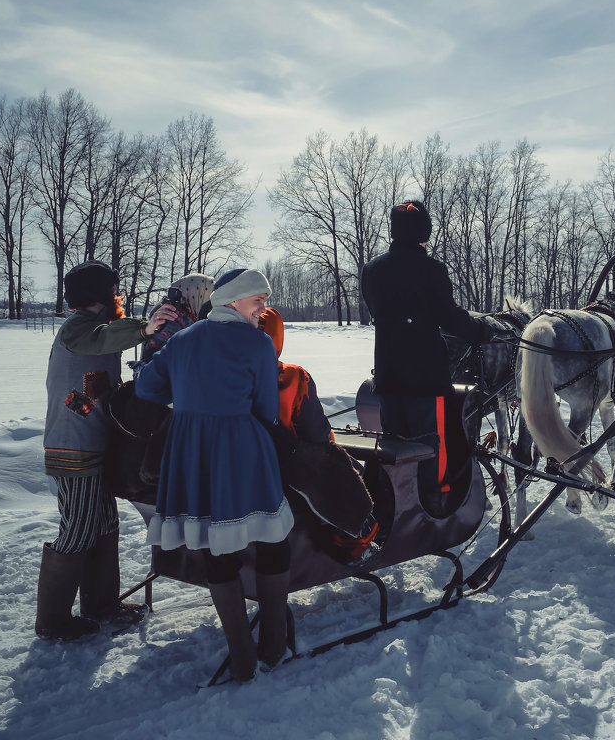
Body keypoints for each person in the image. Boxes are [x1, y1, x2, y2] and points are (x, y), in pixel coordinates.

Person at [135, 268, 293, 681]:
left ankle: (242, 657)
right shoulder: (257, 344)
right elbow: (266, 409)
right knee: (273, 542)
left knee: (216, 547)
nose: (263, 307)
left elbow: (147, 387)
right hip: (243, 451)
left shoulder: (184, 339)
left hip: (191, 452)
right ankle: (273, 646)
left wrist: (188, 392)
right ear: (233, 300)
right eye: (258, 299)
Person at [38, 260, 179, 641]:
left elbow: (100, 378)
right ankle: (51, 620)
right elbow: (102, 338)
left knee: (104, 525)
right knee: (79, 527)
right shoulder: (78, 330)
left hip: (94, 448)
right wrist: (143, 328)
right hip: (72, 450)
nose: (119, 298)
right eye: (114, 293)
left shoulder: (97, 331)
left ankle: (102, 606)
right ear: (100, 296)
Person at [360, 200, 495, 515]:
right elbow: (449, 317)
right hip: (426, 378)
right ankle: (435, 500)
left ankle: (396, 502)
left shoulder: (372, 269)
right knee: (431, 442)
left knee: (396, 441)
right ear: (424, 234)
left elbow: (377, 311)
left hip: (389, 374)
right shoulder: (432, 270)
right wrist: (481, 331)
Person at [258, 309, 379, 563]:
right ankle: (356, 544)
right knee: (344, 468)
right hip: (285, 474)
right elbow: (318, 434)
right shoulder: (293, 378)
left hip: (247, 469)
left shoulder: (219, 380)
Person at [137, 272, 214, 365]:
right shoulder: (173, 318)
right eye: (208, 297)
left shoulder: (180, 314)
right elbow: (156, 362)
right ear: (197, 294)